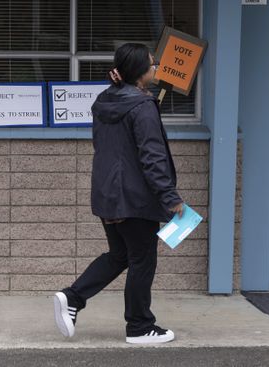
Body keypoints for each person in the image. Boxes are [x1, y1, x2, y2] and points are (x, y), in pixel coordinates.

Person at [53, 43, 183, 344]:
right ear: (139, 72)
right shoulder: (142, 107)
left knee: (120, 255)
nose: (156, 68)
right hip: (135, 199)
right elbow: (153, 157)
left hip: (108, 195)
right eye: (153, 64)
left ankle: (72, 298)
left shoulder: (105, 100)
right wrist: (170, 197)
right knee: (142, 260)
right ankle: (139, 326)